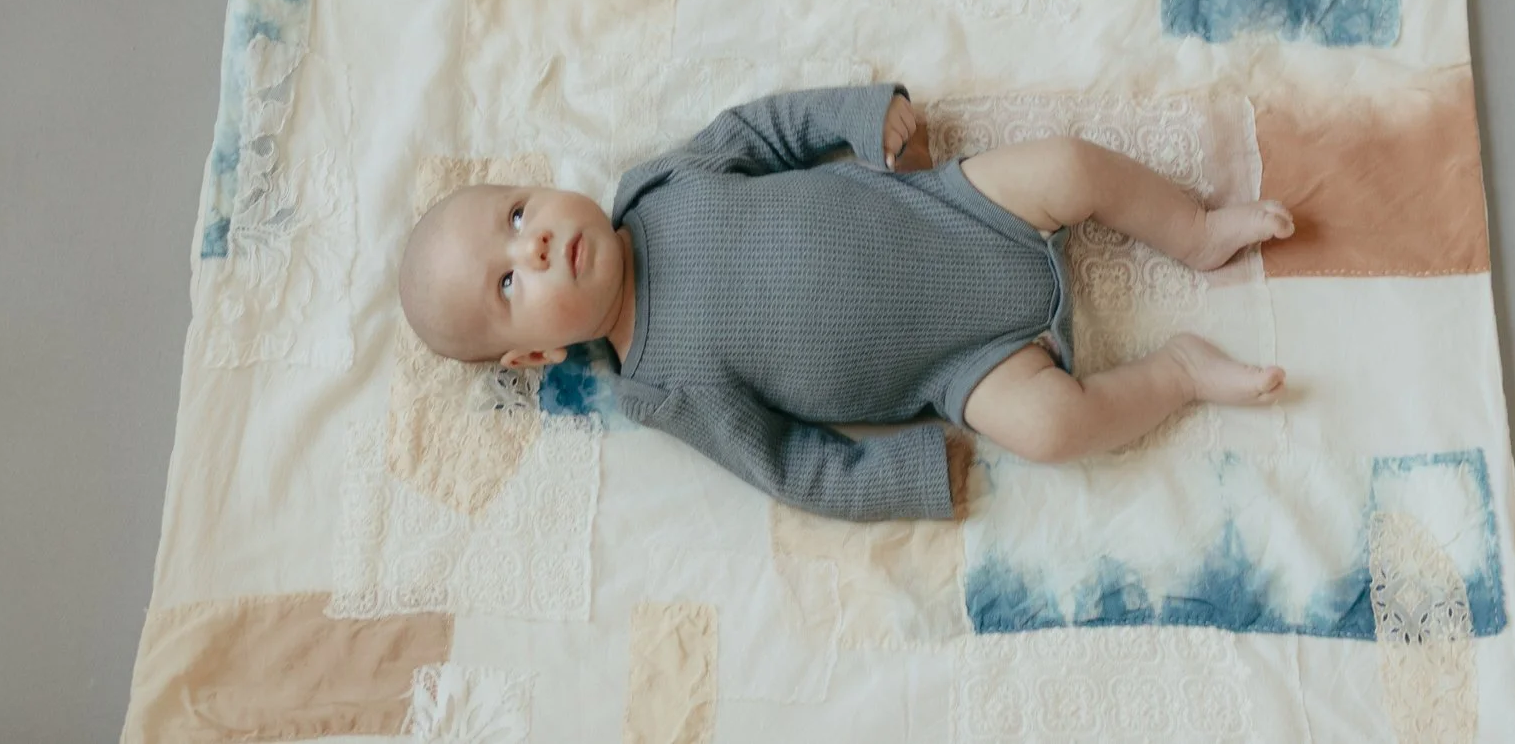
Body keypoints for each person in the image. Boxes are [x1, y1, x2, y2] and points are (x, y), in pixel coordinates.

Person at [397, 85, 1291, 521]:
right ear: (531, 357)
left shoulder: (656, 186)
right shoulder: (660, 386)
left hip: (950, 210)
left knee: (1066, 163)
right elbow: (786, 465)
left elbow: (763, 128)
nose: (537, 243)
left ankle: (1192, 227)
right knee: (1052, 429)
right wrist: (901, 481)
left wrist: (865, 116)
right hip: (959, 369)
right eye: (511, 282)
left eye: (518, 215)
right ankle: (1178, 374)